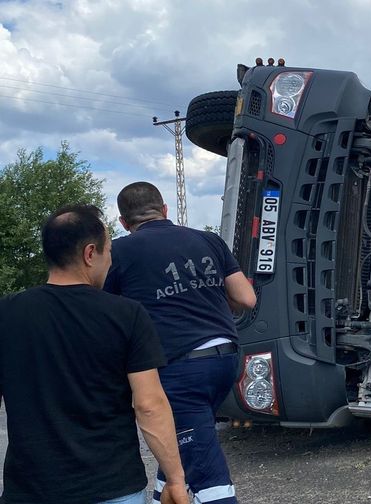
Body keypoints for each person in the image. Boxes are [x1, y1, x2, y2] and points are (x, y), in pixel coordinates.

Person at [0, 204, 188, 504]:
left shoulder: (7, 313)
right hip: (112, 488)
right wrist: (175, 479)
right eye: (108, 251)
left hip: (30, 491)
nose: (110, 261)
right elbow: (149, 405)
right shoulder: (126, 315)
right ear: (90, 254)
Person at [105, 182, 256, 504]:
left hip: (180, 368)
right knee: (177, 446)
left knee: (206, 472)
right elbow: (246, 297)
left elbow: (104, 312)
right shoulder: (208, 240)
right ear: (164, 210)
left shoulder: (119, 251)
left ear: (122, 222)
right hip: (226, 360)